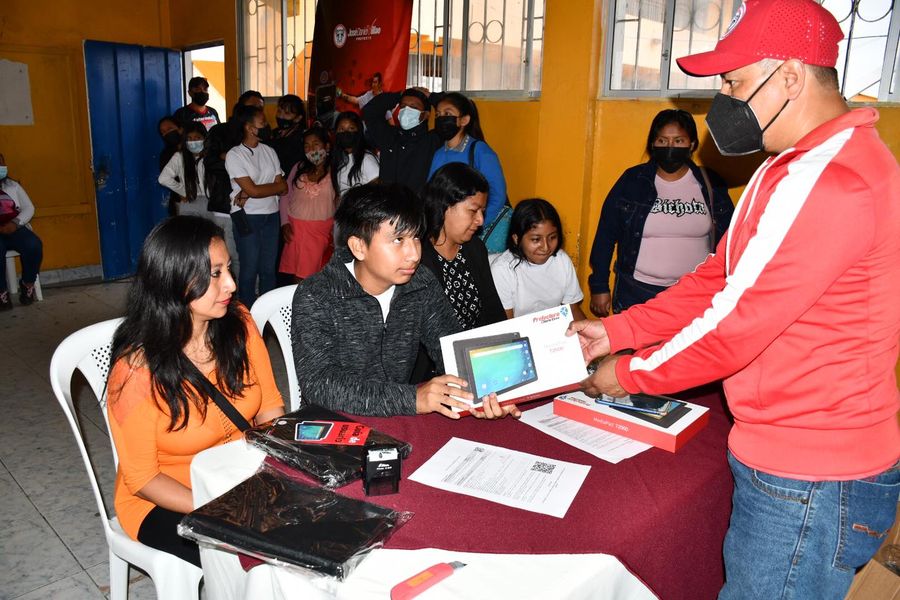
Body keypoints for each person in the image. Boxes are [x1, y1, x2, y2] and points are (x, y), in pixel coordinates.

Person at [570, 1, 900, 598]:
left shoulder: (831, 182)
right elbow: (716, 280)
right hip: (789, 457)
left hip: (810, 474)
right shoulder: (781, 170)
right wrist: (619, 330)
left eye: (733, 81)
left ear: (790, 77)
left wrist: (629, 373)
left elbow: (734, 326)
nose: (722, 100)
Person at [106, 215, 285, 566]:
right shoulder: (135, 370)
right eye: (214, 274)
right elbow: (143, 479)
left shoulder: (239, 323)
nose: (231, 284)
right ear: (173, 279)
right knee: (253, 557)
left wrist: (275, 471)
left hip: (239, 477)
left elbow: (269, 405)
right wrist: (221, 503)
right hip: (165, 500)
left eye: (228, 268)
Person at [292, 182, 519, 419]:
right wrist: (412, 399)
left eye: (416, 238)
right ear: (359, 247)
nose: (414, 254)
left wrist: (486, 393)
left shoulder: (420, 282)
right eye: (398, 240)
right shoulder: (317, 294)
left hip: (398, 418)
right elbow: (320, 385)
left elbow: (451, 349)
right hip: (334, 424)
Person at [587, 109, 734, 316]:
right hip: (637, 292)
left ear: (692, 144)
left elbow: (731, 238)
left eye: (678, 141)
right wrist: (599, 286)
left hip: (695, 294)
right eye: (662, 141)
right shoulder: (633, 181)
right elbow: (606, 235)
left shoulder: (710, 183)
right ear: (653, 144)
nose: (670, 147)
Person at [420, 163, 506, 330]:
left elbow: (492, 308)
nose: (480, 220)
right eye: (473, 211)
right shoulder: (417, 256)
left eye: (482, 211)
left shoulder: (475, 248)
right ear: (445, 206)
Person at [428, 92, 510, 253]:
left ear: (464, 120)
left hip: (476, 230)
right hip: (447, 234)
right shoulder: (438, 154)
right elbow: (432, 193)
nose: (441, 118)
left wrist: (475, 224)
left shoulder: (481, 151)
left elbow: (498, 195)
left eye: (447, 114)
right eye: (438, 114)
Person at [225, 104, 287, 306]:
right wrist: (254, 190)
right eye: (263, 123)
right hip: (247, 216)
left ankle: (268, 312)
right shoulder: (235, 154)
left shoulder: (269, 151)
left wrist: (252, 190)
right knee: (249, 268)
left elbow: (283, 187)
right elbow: (254, 191)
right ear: (249, 127)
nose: (267, 126)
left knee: (268, 269)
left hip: (271, 214)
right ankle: (247, 313)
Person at [490, 198, 585, 320]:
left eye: (552, 237)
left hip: (553, 328)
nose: (545, 247)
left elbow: (572, 310)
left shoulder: (562, 260)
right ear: (516, 239)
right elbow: (506, 324)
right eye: (536, 239)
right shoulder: (503, 270)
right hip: (517, 331)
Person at [279, 126, 337, 281]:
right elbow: (285, 195)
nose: (311, 149)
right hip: (294, 228)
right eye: (307, 145)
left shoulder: (336, 170)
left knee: (307, 277)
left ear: (327, 146)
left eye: (316, 144)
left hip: (319, 231)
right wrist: (284, 222)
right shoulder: (299, 167)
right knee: (295, 275)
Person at [361, 87, 442, 193]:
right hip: (388, 201)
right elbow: (370, 111)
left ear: (426, 114)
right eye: (403, 106)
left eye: (413, 107)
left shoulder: (432, 140)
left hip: (416, 202)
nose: (406, 110)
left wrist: (431, 96)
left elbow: (454, 111)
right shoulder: (389, 136)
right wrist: (398, 95)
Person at [0, 154, 43, 310]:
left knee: (33, 245)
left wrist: (15, 223)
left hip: (15, 228)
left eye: (1, 164)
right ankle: (2, 293)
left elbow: (29, 208)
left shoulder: (12, 186)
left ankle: (27, 284)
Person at [158, 123, 213, 219]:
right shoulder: (179, 157)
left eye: (197, 138)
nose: (193, 142)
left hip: (213, 204)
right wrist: (183, 191)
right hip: (191, 203)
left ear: (205, 138)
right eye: (189, 138)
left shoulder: (213, 156)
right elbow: (163, 179)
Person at [331, 111, 379, 197]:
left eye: (351, 128)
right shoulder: (339, 159)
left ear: (359, 131)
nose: (346, 132)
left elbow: (378, 190)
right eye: (341, 129)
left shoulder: (366, 159)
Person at [268, 94, 307, 174]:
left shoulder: (301, 139)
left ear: (298, 118)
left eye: (287, 113)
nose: (281, 116)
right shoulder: (274, 133)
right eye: (279, 111)